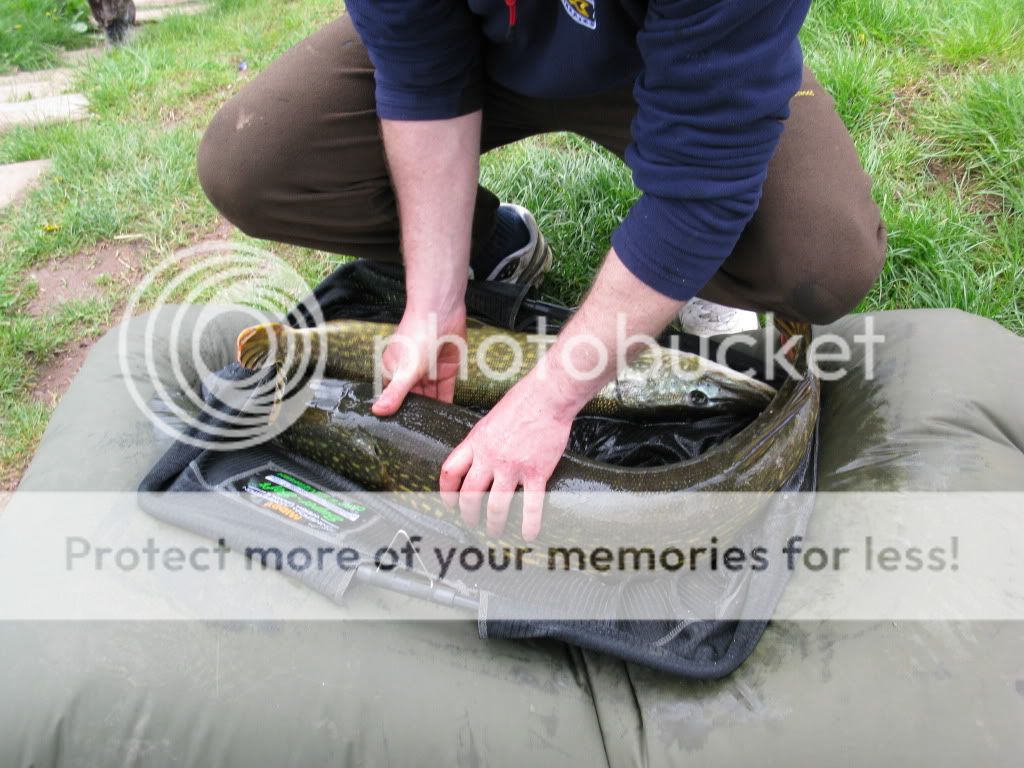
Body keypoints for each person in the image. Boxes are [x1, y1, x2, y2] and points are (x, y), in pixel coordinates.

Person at [197, 1, 887, 541]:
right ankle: (492, 246)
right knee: (254, 166)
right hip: (484, 42)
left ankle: (694, 278)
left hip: (679, 50)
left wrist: (555, 394)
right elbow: (419, 73)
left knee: (821, 262)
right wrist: (436, 294)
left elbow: (705, 175)